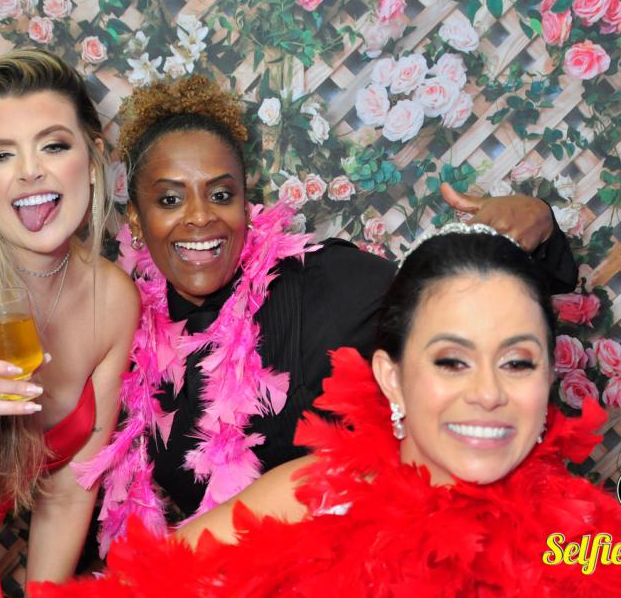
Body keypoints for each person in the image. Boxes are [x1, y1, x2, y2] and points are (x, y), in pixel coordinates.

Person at [74, 74, 578, 555]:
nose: (200, 215)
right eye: (169, 199)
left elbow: (459, 310)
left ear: (246, 203)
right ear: (136, 218)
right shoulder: (129, 332)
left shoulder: (328, 282)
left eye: (221, 194)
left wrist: (538, 224)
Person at [32, 224, 621, 598]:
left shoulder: (583, 545)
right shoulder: (311, 496)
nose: (488, 393)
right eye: (451, 361)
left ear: (547, 377)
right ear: (392, 378)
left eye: (517, 362)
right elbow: (141, 586)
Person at [0, 49, 139, 594]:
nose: (30, 170)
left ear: (94, 156)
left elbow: (67, 494)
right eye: (1, 154)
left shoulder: (114, 300)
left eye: (53, 145)